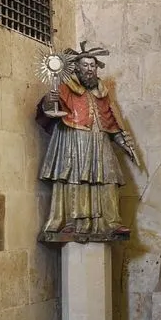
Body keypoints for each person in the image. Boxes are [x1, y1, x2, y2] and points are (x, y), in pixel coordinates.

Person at [36, 42, 139, 235]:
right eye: (85, 65)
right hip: (73, 139)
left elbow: (111, 120)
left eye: (93, 65)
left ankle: (110, 222)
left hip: (100, 142)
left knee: (109, 178)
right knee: (75, 178)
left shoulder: (102, 93)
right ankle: (73, 221)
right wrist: (51, 98)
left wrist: (124, 143)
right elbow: (49, 109)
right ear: (77, 67)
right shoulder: (66, 88)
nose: (90, 69)